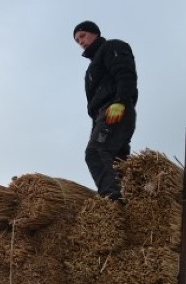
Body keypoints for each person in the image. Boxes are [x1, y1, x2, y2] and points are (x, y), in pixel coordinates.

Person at [73, 20, 138, 202]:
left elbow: (126, 74)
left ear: (95, 33)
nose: (81, 42)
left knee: (95, 152)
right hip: (103, 116)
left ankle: (112, 203)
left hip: (115, 110)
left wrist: (121, 102)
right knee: (118, 163)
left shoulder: (112, 47)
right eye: (78, 41)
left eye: (83, 36)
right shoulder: (90, 71)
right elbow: (92, 106)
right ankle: (129, 201)